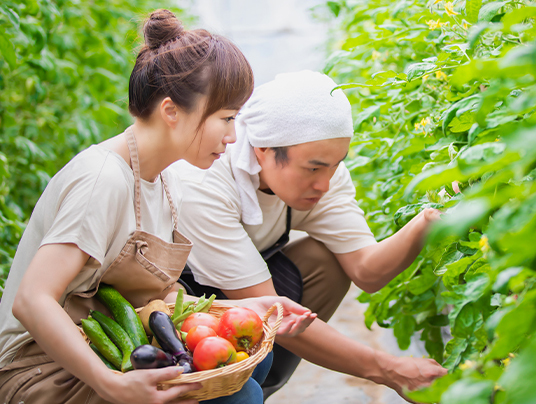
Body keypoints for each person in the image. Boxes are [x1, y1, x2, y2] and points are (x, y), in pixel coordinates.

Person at [0, 10, 316, 404]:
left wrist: (249, 305)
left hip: (105, 344)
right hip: (39, 370)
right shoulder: (104, 179)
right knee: (239, 397)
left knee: (255, 370)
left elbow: (155, 295)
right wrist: (111, 384)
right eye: (226, 118)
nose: (234, 136)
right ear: (171, 111)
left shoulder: (163, 178)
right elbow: (32, 300)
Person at [171, 70, 448, 400]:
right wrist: (386, 369)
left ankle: (259, 384)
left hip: (244, 292)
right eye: (314, 168)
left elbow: (367, 271)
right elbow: (271, 311)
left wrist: (427, 221)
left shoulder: (323, 172)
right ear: (263, 150)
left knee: (325, 262)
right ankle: (234, 389)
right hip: (182, 303)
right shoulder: (206, 182)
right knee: (242, 387)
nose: (325, 184)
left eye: (335, 165)